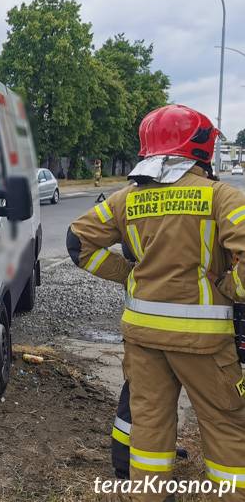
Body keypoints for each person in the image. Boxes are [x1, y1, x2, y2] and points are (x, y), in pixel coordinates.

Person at [68, 104, 245, 500]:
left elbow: (77, 243)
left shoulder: (126, 199)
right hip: (205, 343)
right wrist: (231, 287)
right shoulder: (220, 196)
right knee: (226, 427)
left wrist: (127, 273)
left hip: (143, 338)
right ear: (200, 147)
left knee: (148, 427)